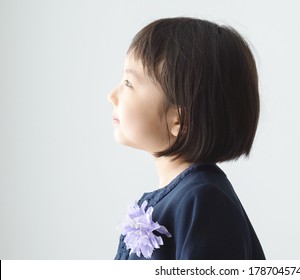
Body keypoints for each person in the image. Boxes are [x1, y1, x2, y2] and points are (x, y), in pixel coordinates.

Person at [108, 17, 265, 260]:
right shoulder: (184, 197)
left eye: (129, 83)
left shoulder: (204, 201)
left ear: (178, 120)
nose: (112, 95)